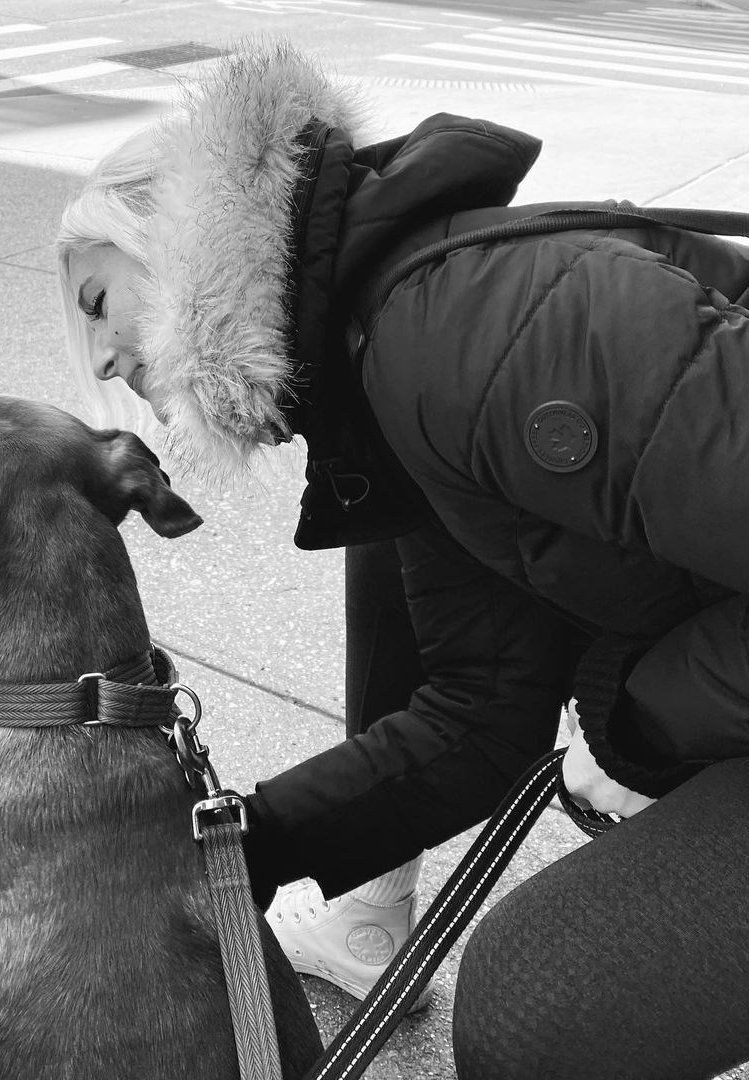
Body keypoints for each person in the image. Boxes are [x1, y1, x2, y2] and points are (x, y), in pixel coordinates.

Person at [57, 40, 749, 1080]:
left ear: (173, 227)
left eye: (96, 303)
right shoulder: (385, 364)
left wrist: (648, 713)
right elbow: (481, 711)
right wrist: (244, 844)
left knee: (531, 1011)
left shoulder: (470, 330)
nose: (104, 359)